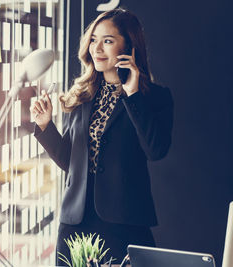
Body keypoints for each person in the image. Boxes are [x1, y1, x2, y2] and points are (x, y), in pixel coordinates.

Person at [30, 7, 174, 266]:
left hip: (124, 223)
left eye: (107, 41)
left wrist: (132, 95)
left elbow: (156, 149)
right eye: (94, 40)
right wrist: (45, 126)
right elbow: (70, 161)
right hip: (75, 222)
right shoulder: (82, 95)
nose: (97, 48)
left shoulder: (154, 97)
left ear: (130, 47)